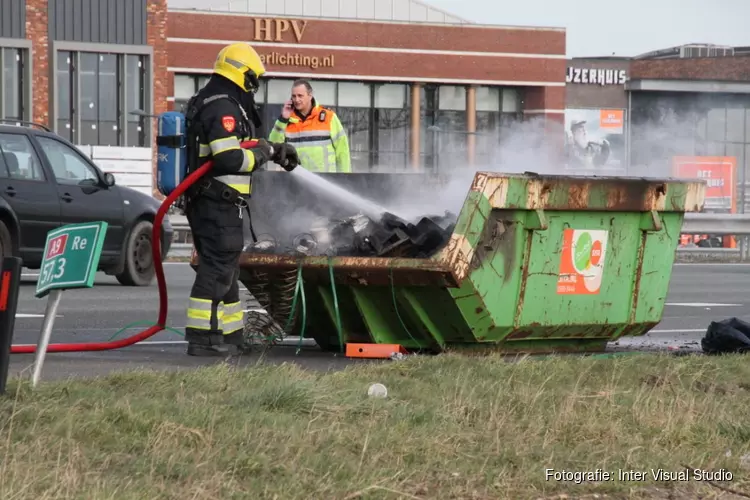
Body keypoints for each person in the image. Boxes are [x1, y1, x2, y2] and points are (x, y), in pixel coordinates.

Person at [183, 42, 300, 357]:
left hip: (218, 202)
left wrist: (273, 149)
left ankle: (231, 336)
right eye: (254, 78)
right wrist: (264, 154)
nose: (255, 86)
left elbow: (243, 144)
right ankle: (202, 339)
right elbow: (229, 158)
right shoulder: (223, 106)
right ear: (243, 74)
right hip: (216, 202)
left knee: (227, 269)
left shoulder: (218, 100)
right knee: (216, 268)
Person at [268, 79, 352, 173]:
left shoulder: (329, 117)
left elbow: (342, 151)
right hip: (296, 181)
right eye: (293, 96)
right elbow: (273, 146)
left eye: (300, 96)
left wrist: (345, 177)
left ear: (310, 95)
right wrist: (283, 119)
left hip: (326, 180)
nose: (296, 100)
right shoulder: (286, 120)